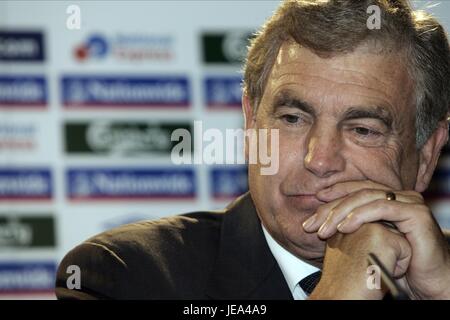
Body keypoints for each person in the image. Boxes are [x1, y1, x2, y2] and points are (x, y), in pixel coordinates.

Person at [55, 0, 450, 300]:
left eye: (363, 129)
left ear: (427, 156)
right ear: (251, 122)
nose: (320, 160)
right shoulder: (125, 277)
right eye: (293, 118)